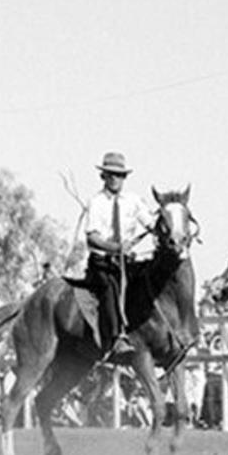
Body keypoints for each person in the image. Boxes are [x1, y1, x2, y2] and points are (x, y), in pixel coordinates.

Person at [84, 151, 155, 355]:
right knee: (110, 288)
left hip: (128, 262)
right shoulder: (96, 202)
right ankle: (116, 339)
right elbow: (92, 238)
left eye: (119, 175)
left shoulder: (134, 201)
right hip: (103, 262)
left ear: (125, 178)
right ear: (103, 176)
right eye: (110, 174)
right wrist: (115, 248)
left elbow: (150, 223)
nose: (115, 179)